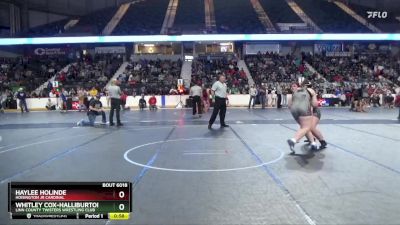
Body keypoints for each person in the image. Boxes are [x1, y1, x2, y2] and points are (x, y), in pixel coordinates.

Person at [287, 78, 318, 154]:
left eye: (294, 86)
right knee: (306, 127)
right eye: (292, 86)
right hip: (304, 109)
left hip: (294, 111)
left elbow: (289, 106)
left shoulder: (293, 94)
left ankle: (313, 143)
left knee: (304, 128)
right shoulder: (309, 91)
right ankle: (294, 140)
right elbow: (315, 104)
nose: (292, 88)